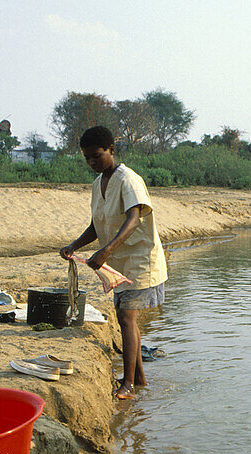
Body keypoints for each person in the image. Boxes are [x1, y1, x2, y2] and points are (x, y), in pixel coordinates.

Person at [60, 126, 168, 400]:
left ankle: (129, 384)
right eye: (87, 158)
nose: (92, 162)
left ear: (111, 150)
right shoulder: (98, 184)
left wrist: (105, 251)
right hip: (118, 263)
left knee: (126, 317)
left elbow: (134, 219)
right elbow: (97, 225)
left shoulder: (129, 179)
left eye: (97, 156)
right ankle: (138, 378)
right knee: (125, 319)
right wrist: (74, 245)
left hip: (140, 259)